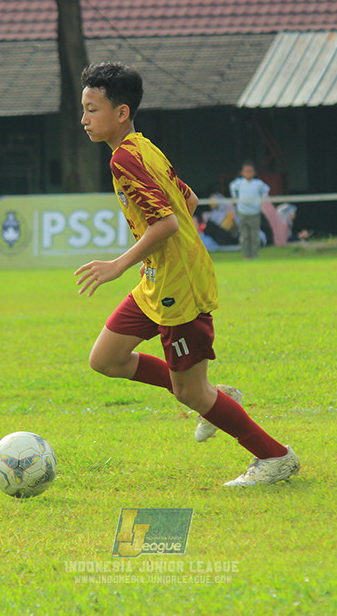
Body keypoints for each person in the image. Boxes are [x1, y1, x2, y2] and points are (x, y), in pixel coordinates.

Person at [74, 61, 299, 486]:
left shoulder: (125, 159)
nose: (83, 119)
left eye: (92, 109)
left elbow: (167, 223)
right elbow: (189, 200)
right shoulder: (144, 146)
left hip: (179, 285)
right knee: (106, 359)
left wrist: (118, 264)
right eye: (83, 109)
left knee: (189, 392)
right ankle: (215, 396)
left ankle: (275, 457)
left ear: (121, 113)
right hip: (158, 278)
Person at [228, 161, 269, 259]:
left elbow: (266, 189)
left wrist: (261, 200)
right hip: (243, 212)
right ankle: (246, 256)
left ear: (254, 172)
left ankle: (255, 256)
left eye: (250, 171)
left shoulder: (258, 183)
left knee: (254, 235)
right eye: (246, 171)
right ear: (242, 173)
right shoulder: (239, 183)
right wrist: (235, 198)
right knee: (244, 235)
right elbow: (232, 187)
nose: (248, 173)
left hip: (254, 212)